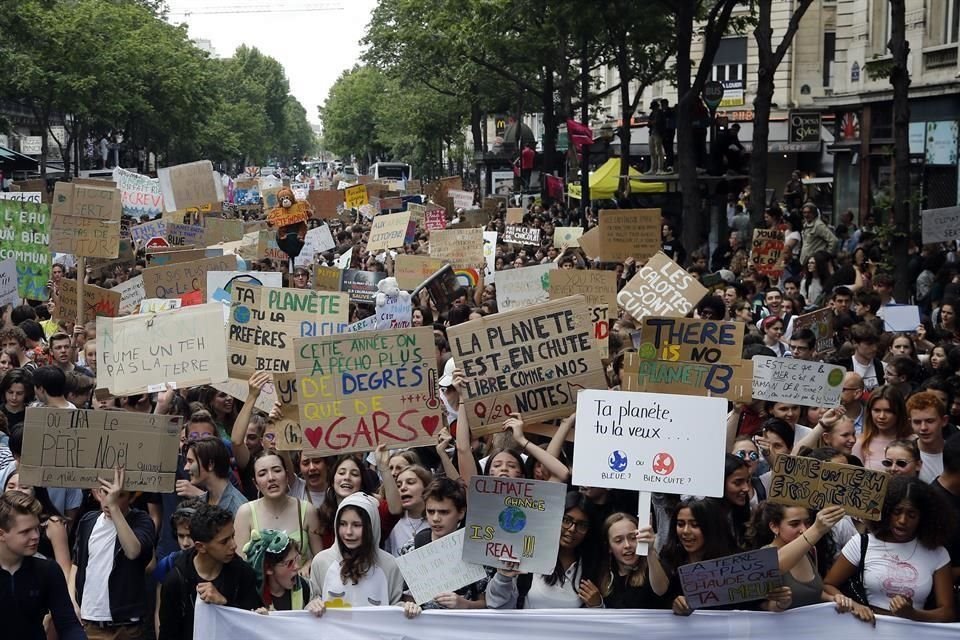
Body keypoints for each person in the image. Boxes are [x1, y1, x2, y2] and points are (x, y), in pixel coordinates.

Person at [824, 476, 956, 624]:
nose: (902, 520)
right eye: (896, 512)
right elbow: (828, 585)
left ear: (924, 518)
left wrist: (912, 614)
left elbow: (947, 612)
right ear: (885, 512)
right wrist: (854, 605)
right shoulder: (862, 544)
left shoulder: (938, 553)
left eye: (911, 515)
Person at [70, 468, 155, 639]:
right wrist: (72, 600)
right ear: (96, 492)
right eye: (105, 492)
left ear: (132, 497)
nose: (109, 500)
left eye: (119, 495)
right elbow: (77, 564)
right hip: (91, 623)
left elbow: (133, 551)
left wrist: (114, 507)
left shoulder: (141, 520)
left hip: (126, 625)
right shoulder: (88, 521)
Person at [158, 503, 261, 640]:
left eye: (232, 536)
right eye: (224, 542)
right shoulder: (176, 581)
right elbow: (168, 634)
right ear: (201, 547)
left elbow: (253, 624)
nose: (234, 545)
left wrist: (225, 604)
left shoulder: (243, 573)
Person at [486, 491, 602, 609]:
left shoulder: (591, 567)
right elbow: (497, 607)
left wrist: (597, 605)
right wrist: (503, 578)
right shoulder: (528, 555)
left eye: (582, 525)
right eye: (566, 520)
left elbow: (597, 624)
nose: (572, 529)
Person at [306, 493, 414, 615]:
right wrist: (312, 605)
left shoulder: (390, 564)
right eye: (342, 524)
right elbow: (312, 604)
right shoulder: (321, 561)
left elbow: (395, 608)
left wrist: (407, 608)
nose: (348, 532)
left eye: (357, 525)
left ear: (371, 526)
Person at [1, 490, 86, 640]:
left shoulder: (48, 570)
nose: (35, 536)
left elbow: (68, 625)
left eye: (36, 528)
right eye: (25, 532)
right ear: (2, 534)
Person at [233, 452, 323, 569]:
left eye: (276, 470)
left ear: (286, 475)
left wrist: (309, 564)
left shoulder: (307, 510)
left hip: (299, 584)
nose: (271, 478)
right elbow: (240, 564)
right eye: (262, 474)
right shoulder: (245, 513)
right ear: (255, 483)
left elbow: (321, 558)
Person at [747, 502, 846, 608]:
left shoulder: (810, 551)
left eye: (807, 523)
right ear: (774, 527)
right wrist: (781, 604)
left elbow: (813, 592)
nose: (804, 530)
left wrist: (833, 599)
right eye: (794, 524)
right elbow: (764, 606)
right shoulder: (766, 556)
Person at [597, 512, 663, 608]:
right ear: (609, 547)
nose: (627, 545)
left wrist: (650, 551)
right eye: (619, 540)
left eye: (633, 538)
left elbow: (661, 590)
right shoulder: (603, 576)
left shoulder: (653, 567)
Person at [244, 529, 311, 612]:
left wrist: (312, 606)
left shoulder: (303, 587)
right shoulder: (253, 598)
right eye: (289, 563)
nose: (297, 566)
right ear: (269, 568)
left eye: (297, 558)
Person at [181, 438, 248, 515]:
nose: (185, 468)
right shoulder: (201, 502)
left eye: (190, 461)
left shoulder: (237, 507)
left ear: (210, 465)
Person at [853, 385, 912, 471]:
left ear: (899, 412)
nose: (881, 416)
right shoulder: (861, 443)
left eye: (888, 411)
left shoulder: (914, 441)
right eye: (876, 410)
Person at [907, 391, 947, 483]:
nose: (923, 428)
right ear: (910, 423)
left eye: (930, 421)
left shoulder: (955, 452)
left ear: (944, 421)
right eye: (917, 422)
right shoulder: (905, 454)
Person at [839, 324, 886, 391]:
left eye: (876, 344)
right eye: (869, 344)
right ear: (854, 343)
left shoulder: (883, 367)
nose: (874, 348)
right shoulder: (843, 367)